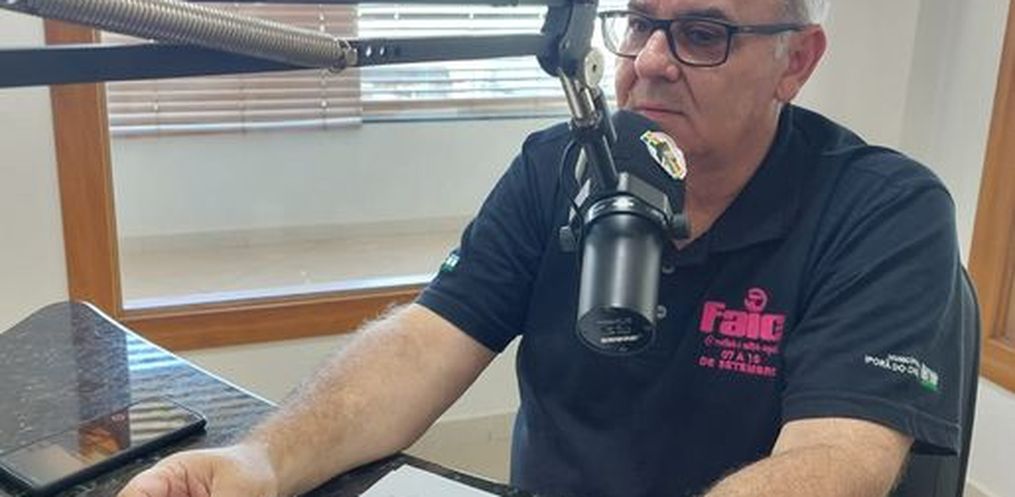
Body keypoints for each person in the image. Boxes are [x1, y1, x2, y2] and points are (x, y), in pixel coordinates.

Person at [118, 0, 974, 496]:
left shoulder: (882, 209)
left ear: (796, 62)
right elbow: (424, 341)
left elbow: (837, 458)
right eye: (638, 22)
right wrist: (259, 459)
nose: (650, 60)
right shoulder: (557, 164)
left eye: (701, 33)